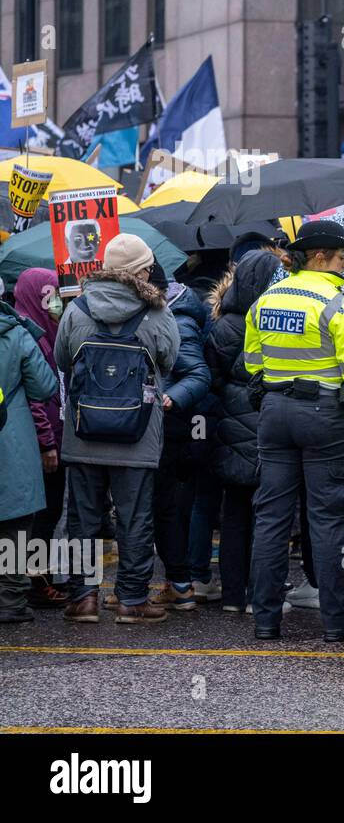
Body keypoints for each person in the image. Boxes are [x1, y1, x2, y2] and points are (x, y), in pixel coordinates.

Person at [243, 219, 344, 642]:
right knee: (327, 519)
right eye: (342, 257)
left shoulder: (268, 298)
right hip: (323, 415)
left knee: (271, 517)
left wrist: (270, 388)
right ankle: (337, 621)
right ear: (319, 257)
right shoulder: (336, 304)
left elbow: (252, 359)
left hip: (274, 412)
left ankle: (266, 620)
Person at [56, 234, 180, 624]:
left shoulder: (76, 309)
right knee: (135, 518)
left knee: (83, 519)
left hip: (83, 434)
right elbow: (170, 360)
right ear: (141, 270)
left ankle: (84, 598)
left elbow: (63, 360)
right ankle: (131, 599)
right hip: (137, 435)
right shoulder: (156, 313)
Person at [205, 248, 284, 613]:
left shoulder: (222, 325)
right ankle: (261, 594)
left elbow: (213, 378)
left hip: (230, 431)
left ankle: (233, 596)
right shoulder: (276, 322)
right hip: (268, 428)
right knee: (269, 515)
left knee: (234, 515)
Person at [148, 270, 213, 612]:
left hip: (167, 423)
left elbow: (198, 373)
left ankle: (180, 583)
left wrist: (170, 398)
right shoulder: (167, 312)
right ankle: (176, 582)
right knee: (161, 506)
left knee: (163, 506)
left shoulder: (177, 318)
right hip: (156, 422)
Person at [0, 286, 59, 623]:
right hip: (12, 438)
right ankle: (9, 602)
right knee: (14, 525)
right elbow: (45, 387)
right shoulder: (17, 333)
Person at [12, 268, 69, 607]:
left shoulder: (44, 330)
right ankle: (35, 582)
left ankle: (36, 579)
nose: (54, 302)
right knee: (40, 515)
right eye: (49, 294)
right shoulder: (29, 335)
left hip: (49, 436)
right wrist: (47, 442)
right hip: (39, 441)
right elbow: (36, 397)